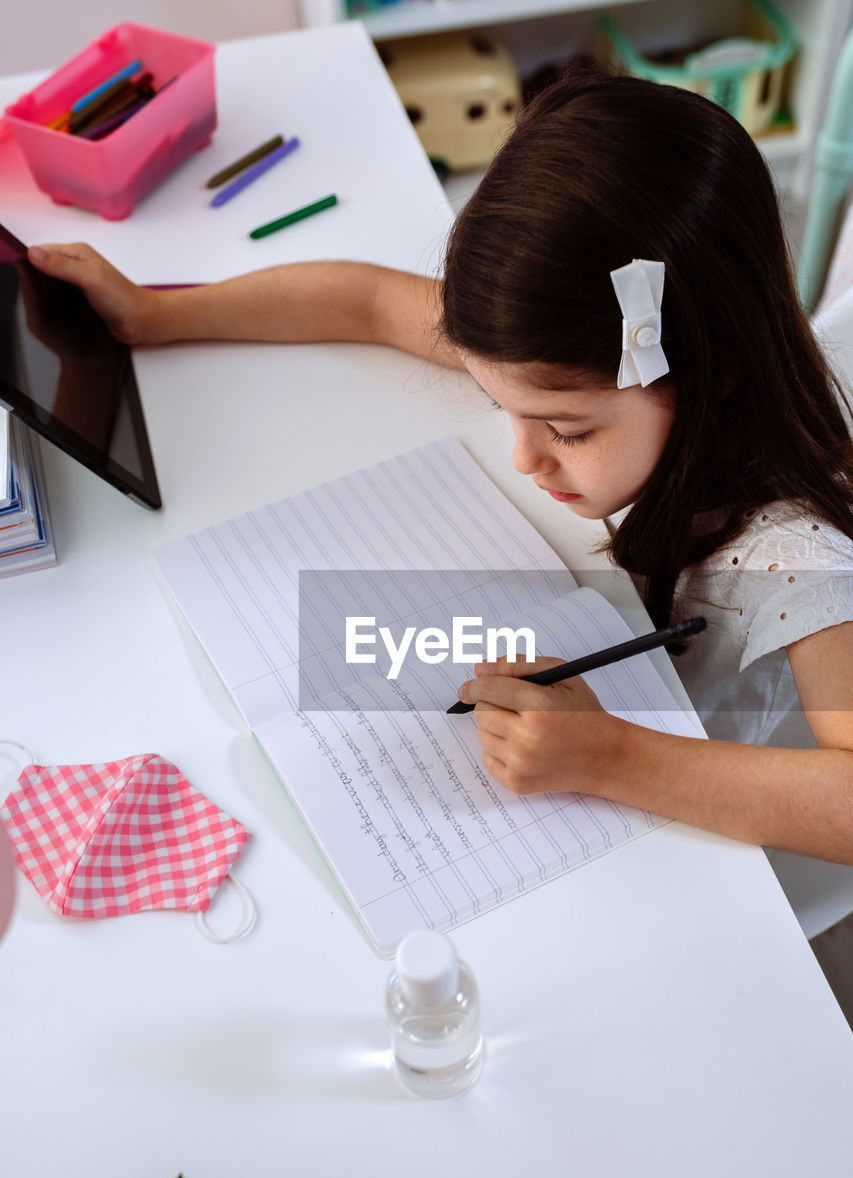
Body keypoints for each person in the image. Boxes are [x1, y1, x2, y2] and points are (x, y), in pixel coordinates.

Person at [26, 61, 853, 864]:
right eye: (505, 409)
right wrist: (156, 319)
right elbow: (367, 300)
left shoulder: (797, 555)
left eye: (565, 432)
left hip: (694, 832)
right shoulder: (579, 352)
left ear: (711, 378)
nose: (525, 456)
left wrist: (611, 758)